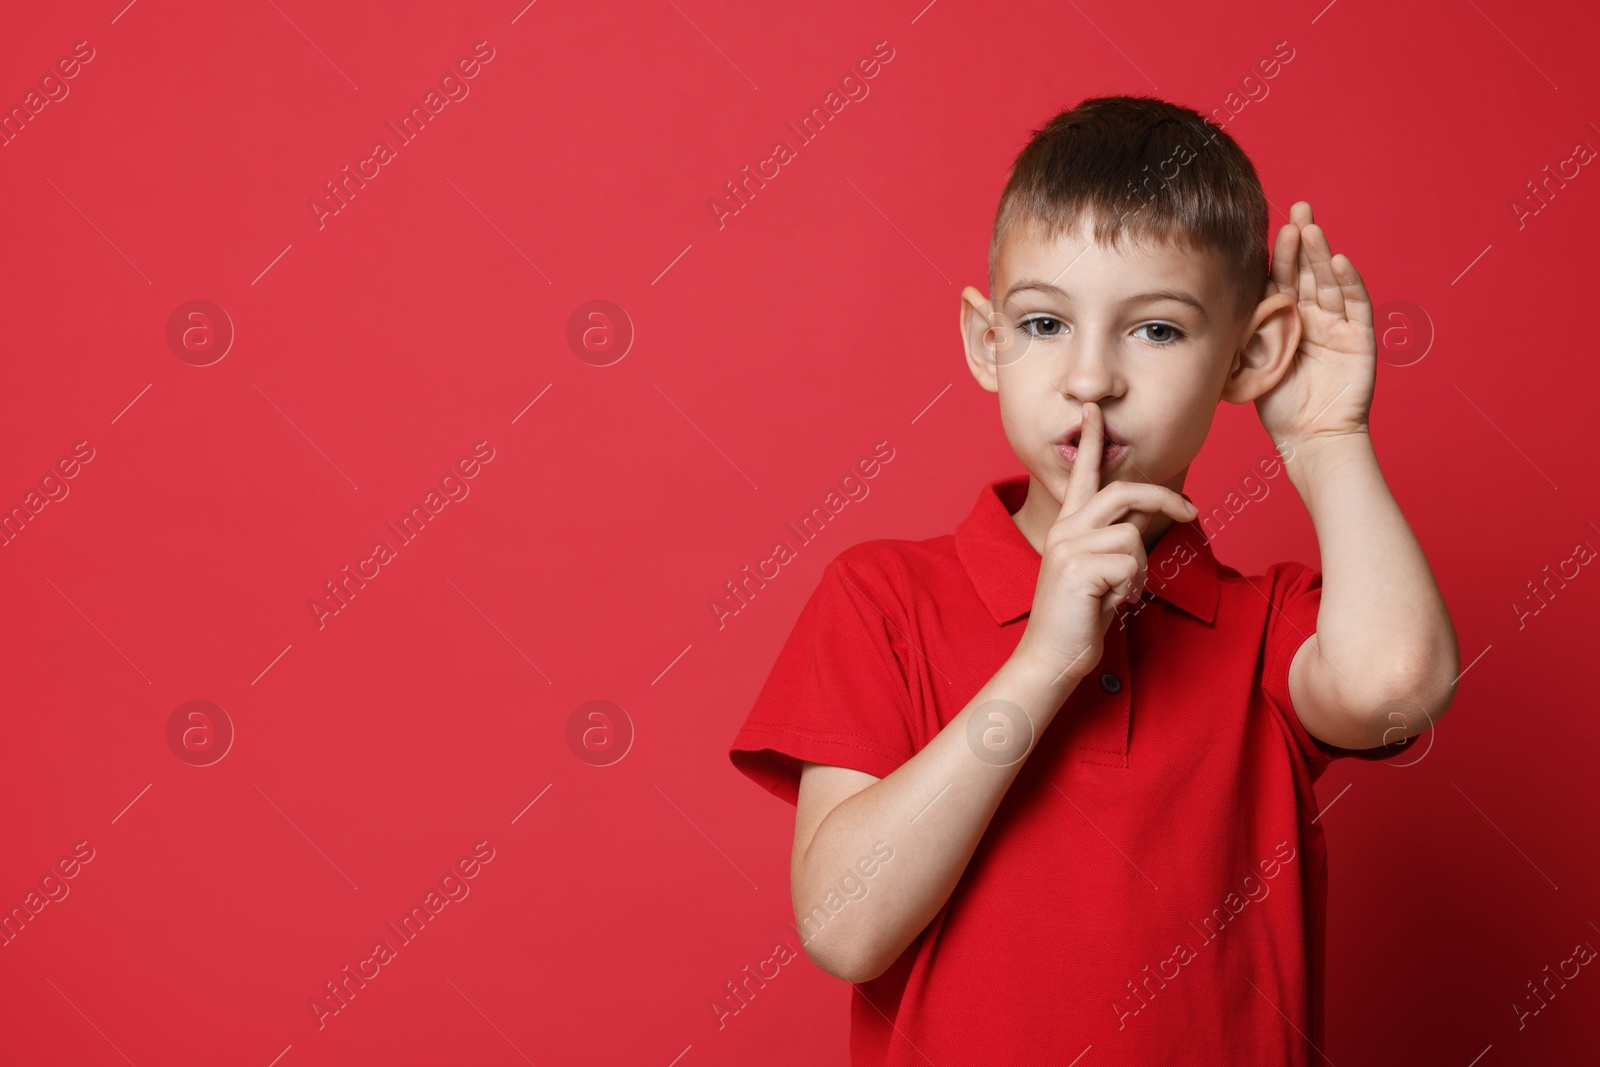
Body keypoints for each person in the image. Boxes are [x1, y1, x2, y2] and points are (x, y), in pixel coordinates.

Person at [726, 94, 1460, 1065]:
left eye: (1154, 331)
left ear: (1249, 352)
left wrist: (1326, 438)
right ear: (987, 341)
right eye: (1042, 322)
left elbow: (1397, 685)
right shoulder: (883, 597)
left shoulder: (1267, 624)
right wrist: (1042, 663)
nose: (1090, 377)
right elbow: (843, 928)